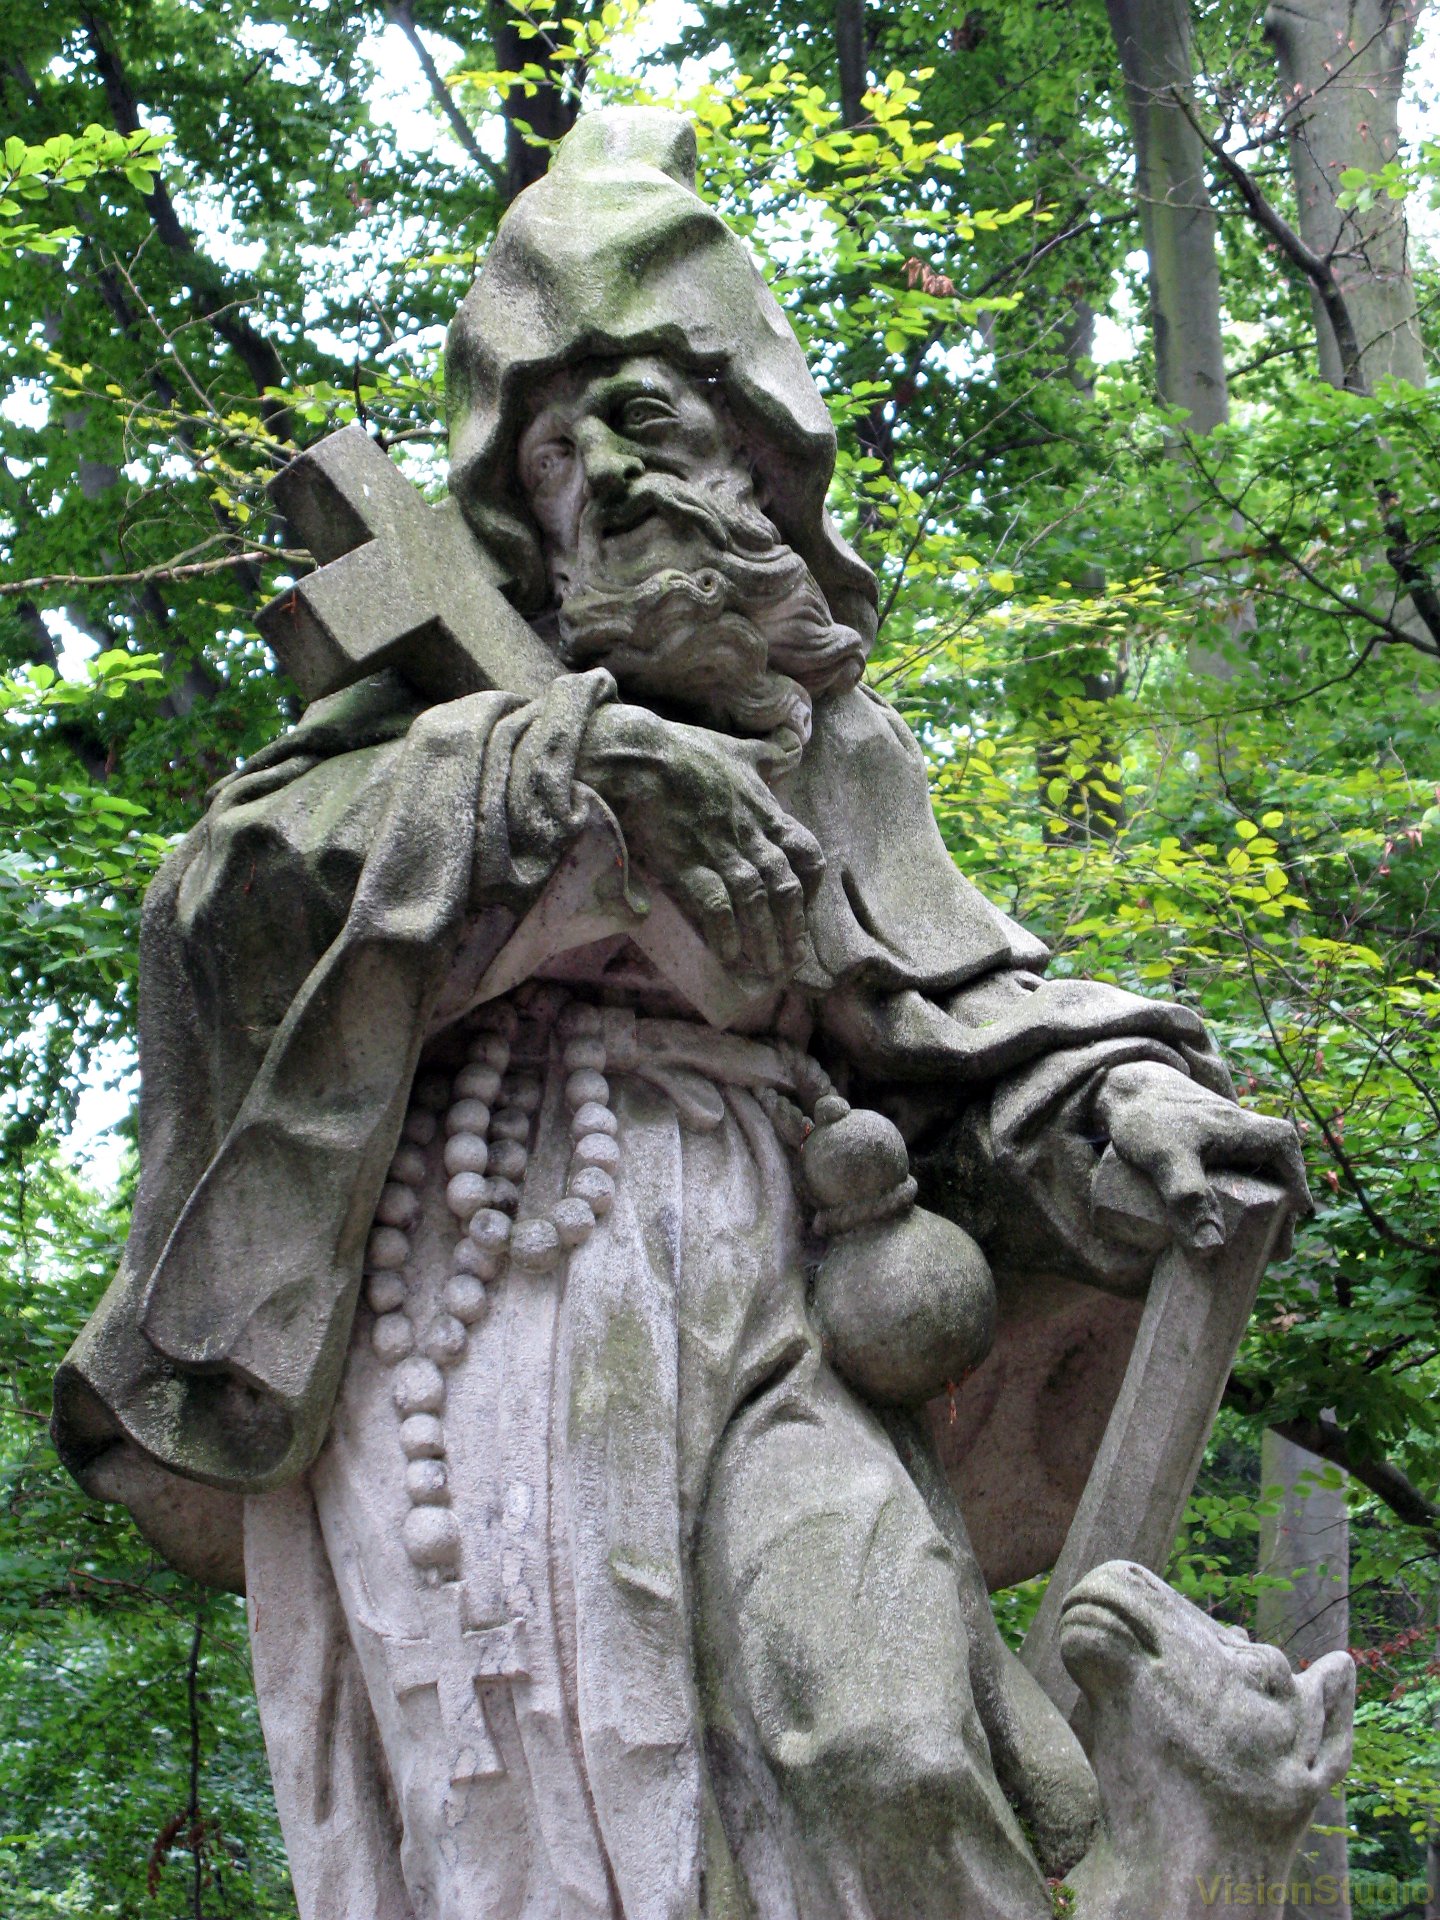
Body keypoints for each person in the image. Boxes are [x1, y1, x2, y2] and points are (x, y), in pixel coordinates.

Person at [54, 109, 1309, 1920]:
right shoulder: (428, 721)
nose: (614, 475)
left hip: (778, 1279)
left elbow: (963, 1019)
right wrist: (557, 774)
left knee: (889, 1745)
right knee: (532, 1795)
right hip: (478, 1294)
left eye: (652, 419)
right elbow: (222, 918)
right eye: (558, 452)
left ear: (754, 454)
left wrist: (1124, 1111)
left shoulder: (835, 753)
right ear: (517, 509)